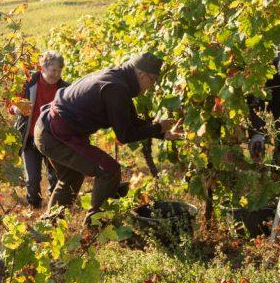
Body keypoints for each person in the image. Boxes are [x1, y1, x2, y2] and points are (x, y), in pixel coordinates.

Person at [34, 52, 184, 224]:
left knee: (72, 177)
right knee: (109, 171)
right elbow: (125, 134)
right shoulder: (116, 88)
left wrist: (163, 133)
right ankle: (95, 225)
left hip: (48, 129)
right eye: (153, 80)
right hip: (54, 136)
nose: (152, 86)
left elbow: (130, 121)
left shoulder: (118, 79)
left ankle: (49, 226)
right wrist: (157, 127)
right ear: (142, 75)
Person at [13, 51, 69, 208]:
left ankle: (55, 209)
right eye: (53, 70)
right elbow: (12, 104)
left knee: (55, 178)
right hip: (30, 139)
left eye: (59, 70)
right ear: (42, 68)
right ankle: (35, 207)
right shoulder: (28, 84)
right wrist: (15, 109)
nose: (56, 74)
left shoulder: (65, 89)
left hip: (54, 140)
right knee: (32, 180)